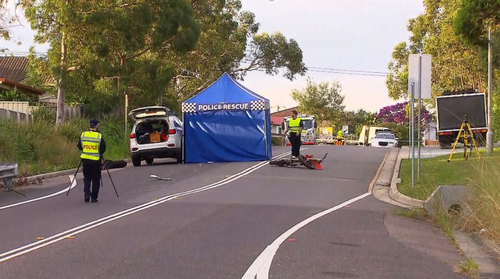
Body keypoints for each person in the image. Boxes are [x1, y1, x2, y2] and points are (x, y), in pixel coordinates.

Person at [77, 119, 106, 203]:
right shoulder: (99, 136)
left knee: (87, 178)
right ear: (96, 126)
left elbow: (79, 146)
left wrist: (86, 149)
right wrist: (99, 152)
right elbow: (103, 148)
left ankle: (87, 194)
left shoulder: (83, 134)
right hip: (96, 161)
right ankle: (94, 197)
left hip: (85, 160)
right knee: (96, 179)